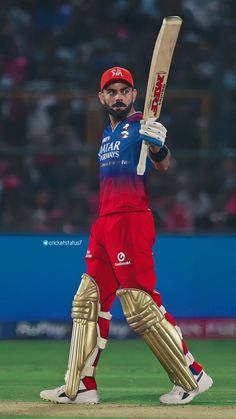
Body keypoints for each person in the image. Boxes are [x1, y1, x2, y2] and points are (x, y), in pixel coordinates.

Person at [40, 67, 213, 405]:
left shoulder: (141, 128)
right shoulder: (107, 133)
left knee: (140, 304)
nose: (118, 96)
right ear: (102, 97)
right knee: (88, 301)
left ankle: (191, 374)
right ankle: (81, 386)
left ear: (134, 95)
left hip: (131, 221)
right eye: (111, 91)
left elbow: (163, 164)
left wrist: (159, 146)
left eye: (124, 90)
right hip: (104, 222)